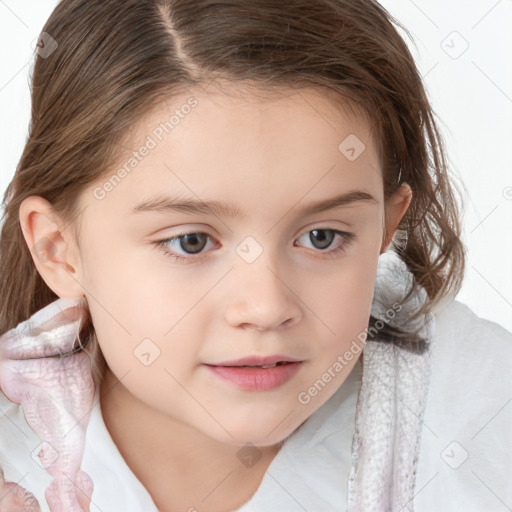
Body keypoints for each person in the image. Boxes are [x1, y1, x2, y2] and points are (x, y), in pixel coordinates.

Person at [0, 1, 510, 511]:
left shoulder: (481, 420)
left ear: (385, 227)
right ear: (59, 251)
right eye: (191, 242)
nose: (266, 306)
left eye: (322, 237)